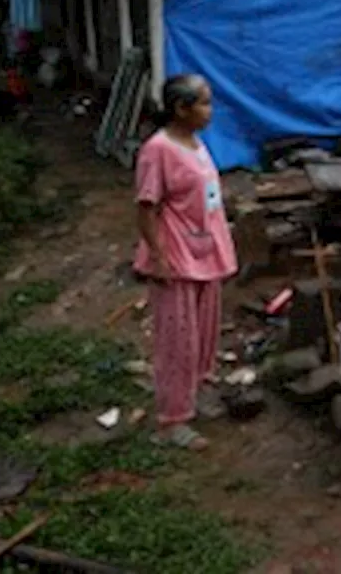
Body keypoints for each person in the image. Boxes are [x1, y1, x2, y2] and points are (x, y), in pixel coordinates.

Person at [134, 74, 237, 450]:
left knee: (204, 333)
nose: (211, 110)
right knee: (177, 340)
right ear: (181, 108)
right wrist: (158, 257)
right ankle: (171, 420)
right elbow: (147, 208)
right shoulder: (157, 150)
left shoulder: (194, 142)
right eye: (204, 102)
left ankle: (196, 393)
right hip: (175, 256)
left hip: (205, 252)